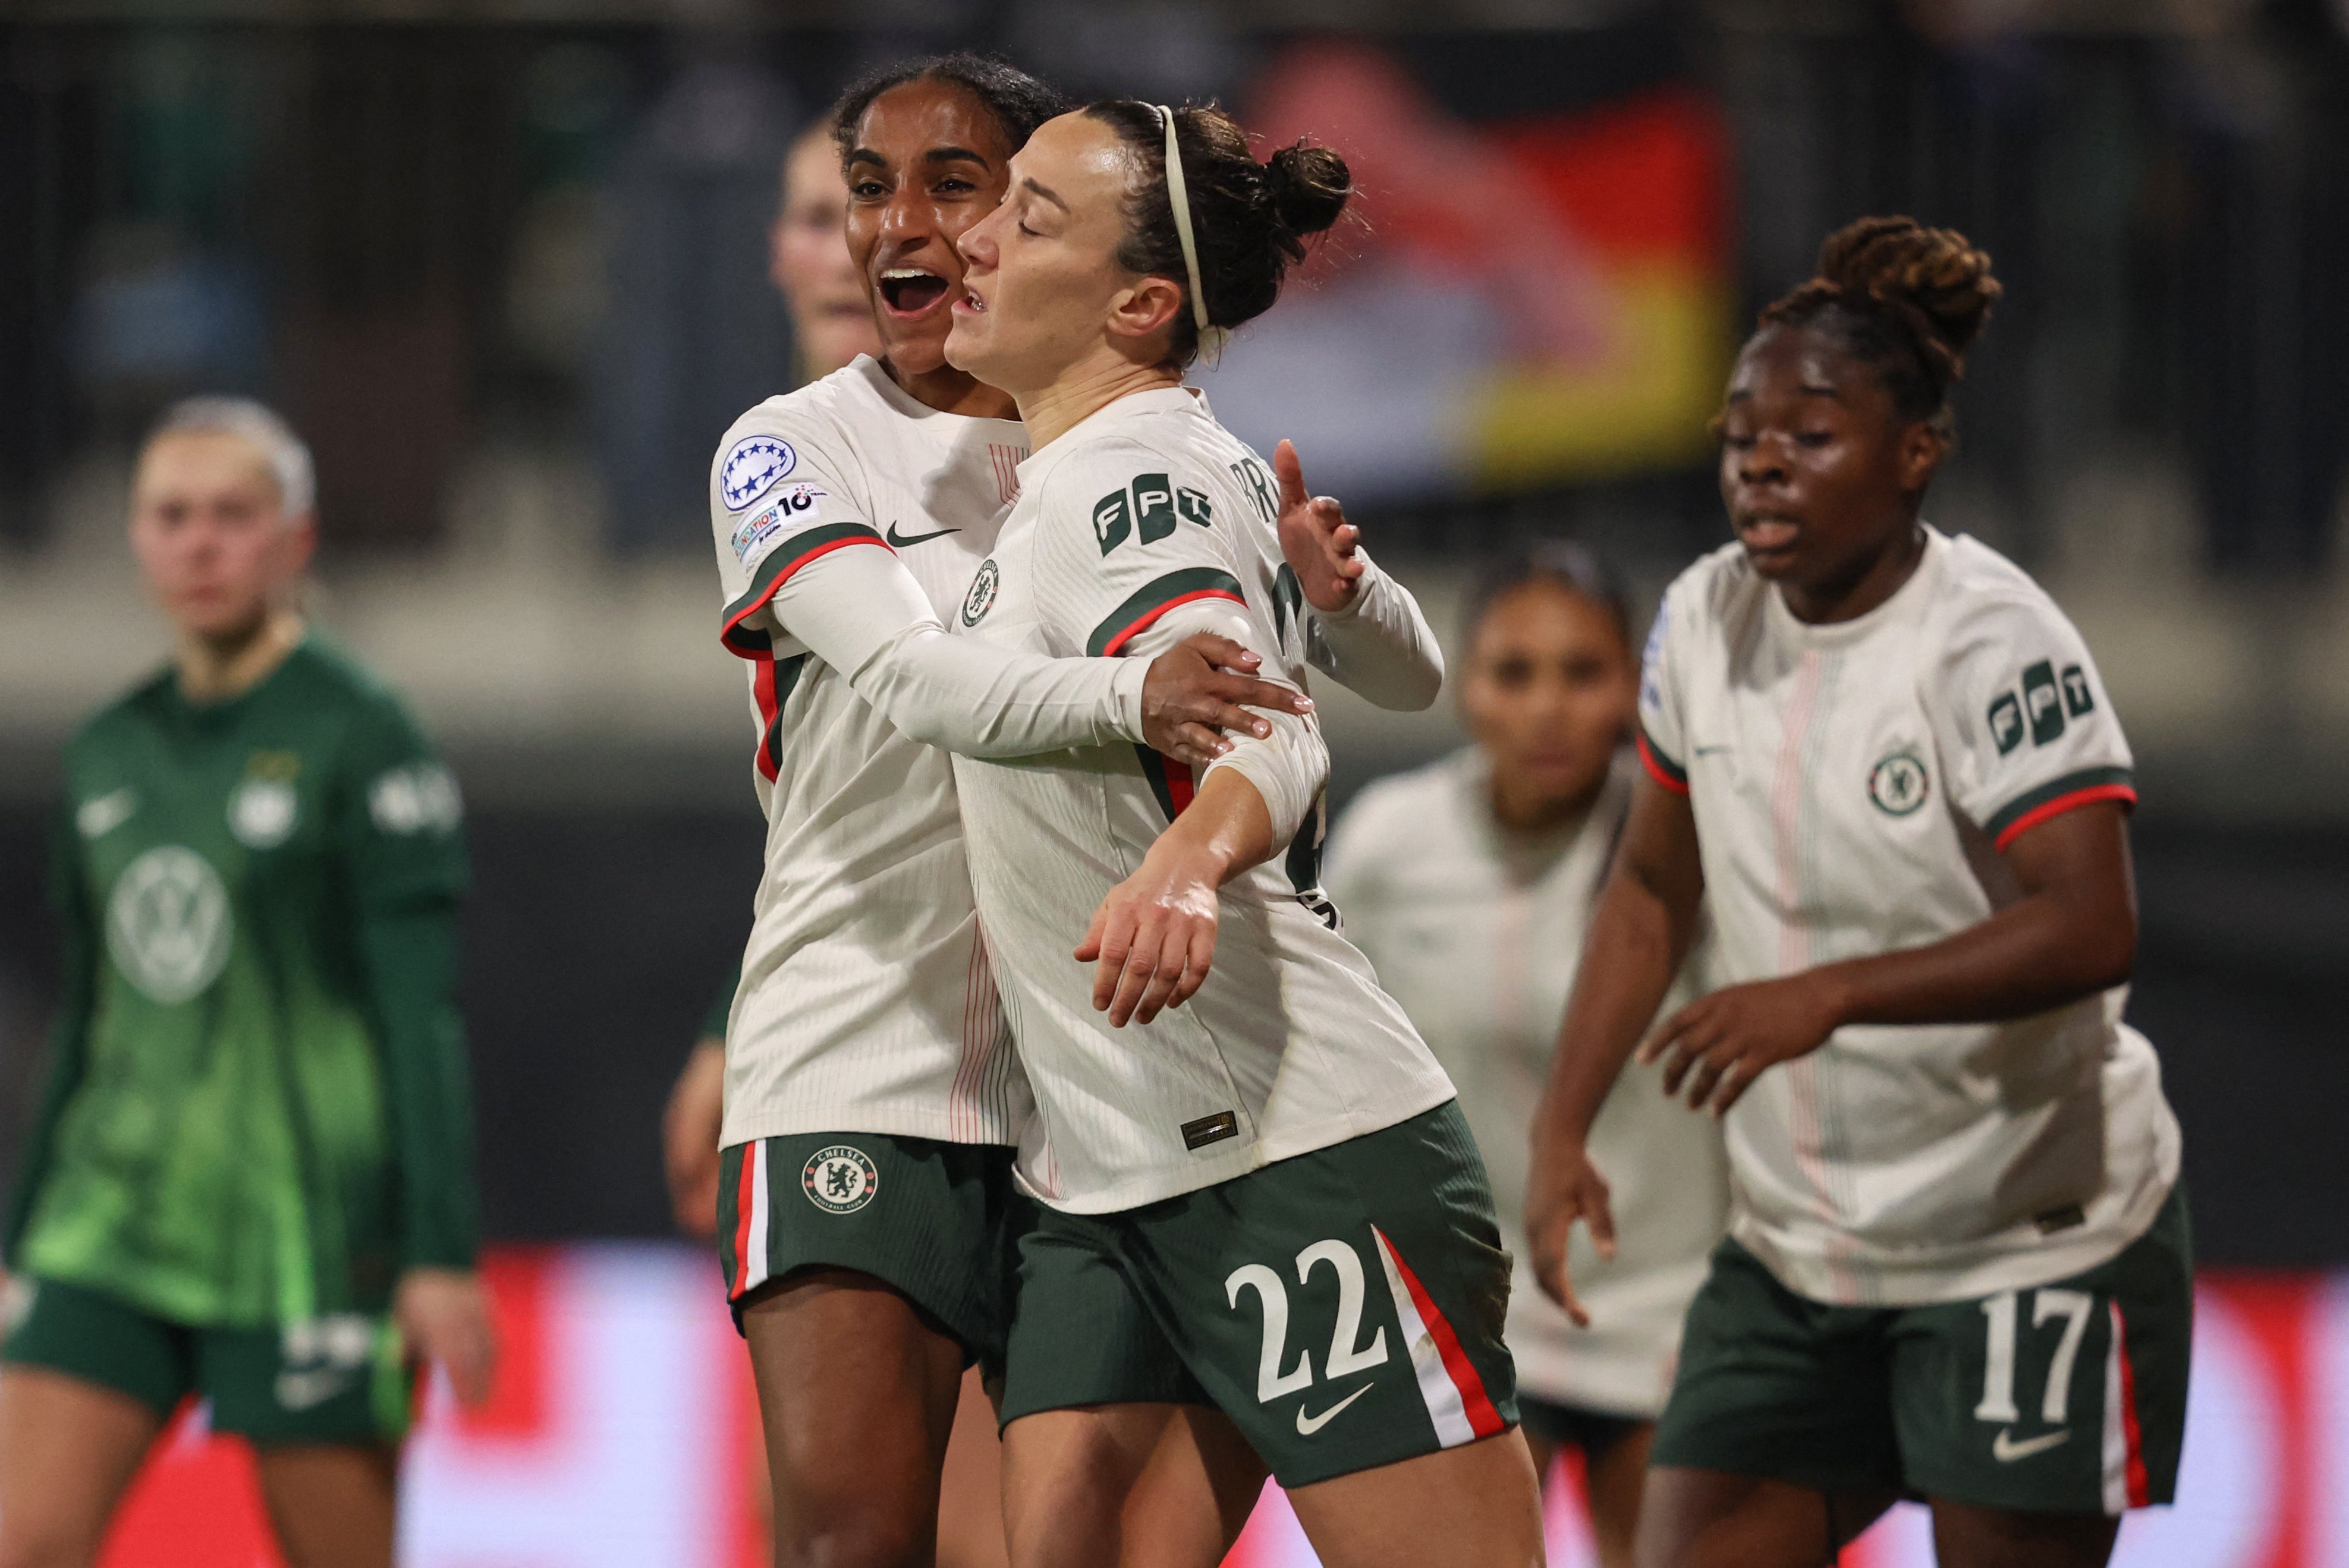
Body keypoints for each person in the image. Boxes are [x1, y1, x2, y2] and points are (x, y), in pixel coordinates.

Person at [702, 56, 1439, 1568]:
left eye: (968, 190)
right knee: (853, 1543)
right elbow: (921, 680)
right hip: (863, 1055)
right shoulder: (789, 448)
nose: (914, 226)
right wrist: (1140, 704)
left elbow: (1296, 705)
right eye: (865, 188)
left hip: (1096, 1090)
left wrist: (1336, 599)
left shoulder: (1106, 448)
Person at [1524, 217, 2190, 1568]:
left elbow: (2088, 922)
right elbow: (1652, 883)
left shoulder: (1989, 640)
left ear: (1913, 455)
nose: (1761, 459)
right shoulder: (1702, 616)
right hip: (1796, 1254)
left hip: (2020, 1238)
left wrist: (1823, 995)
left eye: (1810, 432)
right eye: (1738, 434)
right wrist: (1558, 1128)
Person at [939, 100, 1542, 1568]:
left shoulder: (1122, 484)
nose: (969, 237)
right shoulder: (1085, 481)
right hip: (1111, 1166)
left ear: (1140, 302)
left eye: (1028, 218)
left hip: (1291, 1153)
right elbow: (1365, 669)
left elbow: (1263, 722)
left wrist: (1184, 865)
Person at [0, 398, 494, 1568]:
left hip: (306, 1228)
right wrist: (23, 1241)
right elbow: (94, 1011)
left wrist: (437, 1250)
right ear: (134, 536)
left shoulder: (361, 731)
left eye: (233, 515)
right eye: (172, 516)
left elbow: (416, 1012)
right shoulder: (106, 748)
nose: (200, 543)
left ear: (295, 540)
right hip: (110, 1220)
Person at [1322, 543, 1728, 1568]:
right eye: (1515, 672)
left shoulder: (1696, 842)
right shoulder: (1388, 842)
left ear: (1634, 689)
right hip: (1474, 1306)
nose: (1549, 706)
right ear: (1468, 688)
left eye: (1583, 672)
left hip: (1679, 1302)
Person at [664, 111, 881, 1248]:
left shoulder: (1002, 456)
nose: (849, 246)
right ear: (776, 251)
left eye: (874, 213)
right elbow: (838, 814)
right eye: (816, 217)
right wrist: (732, 1020)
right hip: (848, 1013)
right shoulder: (763, 464)